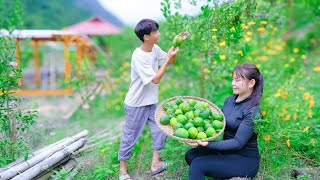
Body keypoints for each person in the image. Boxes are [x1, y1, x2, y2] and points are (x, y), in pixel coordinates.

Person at [118, 19, 188, 180]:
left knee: (160, 130)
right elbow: (155, 79)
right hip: (136, 103)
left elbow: (171, 61)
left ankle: (156, 164)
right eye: (155, 32)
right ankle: (122, 170)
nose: (158, 34)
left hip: (151, 101)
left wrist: (176, 46)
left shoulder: (155, 49)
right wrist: (168, 58)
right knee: (130, 135)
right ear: (146, 37)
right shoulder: (138, 56)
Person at [185, 63, 264, 179]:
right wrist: (196, 134)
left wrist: (208, 144)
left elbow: (237, 143)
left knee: (198, 165)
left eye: (237, 80)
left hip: (244, 159)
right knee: (191, 155)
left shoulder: (253, 111)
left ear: (251, 83)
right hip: (226, 153)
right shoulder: (230, 101)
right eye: (233, 79)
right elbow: (215, 121)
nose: (233, 83)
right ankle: (223, 174)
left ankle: (234, 175)